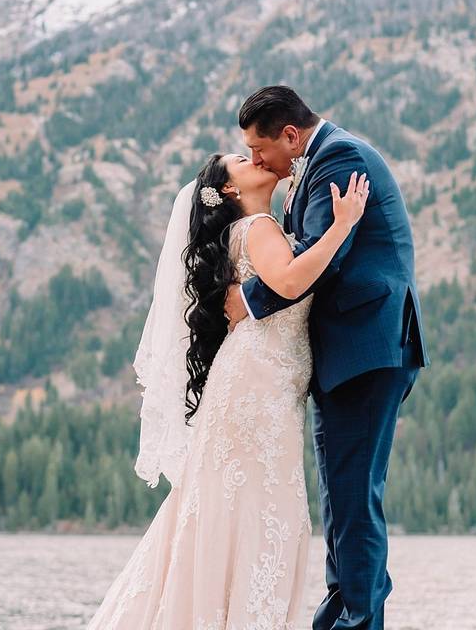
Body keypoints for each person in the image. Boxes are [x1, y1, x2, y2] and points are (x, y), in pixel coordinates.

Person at [85, 149, 369, 629]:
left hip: (263, 387)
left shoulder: (259, 227)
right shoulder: (257, 228)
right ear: (231, 189)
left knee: (243, 509)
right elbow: (288, 279)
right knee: (258, 511)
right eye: (241, 157)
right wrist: (343, 226)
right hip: (256, 389)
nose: (253, 156)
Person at [224, 85, 429, 630]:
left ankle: (358, 621)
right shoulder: (314, 164)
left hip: (365, 350)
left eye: (259, 147)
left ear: (290, 134)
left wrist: (245, 303)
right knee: (343, 500)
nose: (255, 160)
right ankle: (342, 617)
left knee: (355, 501)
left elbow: (323, 258)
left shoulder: (340, 157)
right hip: (349, 355)